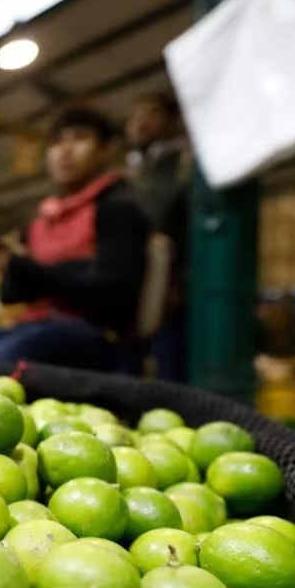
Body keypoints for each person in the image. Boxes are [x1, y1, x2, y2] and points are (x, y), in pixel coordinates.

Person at [0, 105, 150, 370]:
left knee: (6, 356)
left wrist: (32, 270)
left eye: (80, 138)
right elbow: (11, 296)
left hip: (94, 331)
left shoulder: (116, 209)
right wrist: (11, 269)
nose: (65, 151)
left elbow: (115, 291)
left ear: (106, 150)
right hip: (32, 326)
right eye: (57, 142)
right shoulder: (38, 224)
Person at [125, 91, 192, 382]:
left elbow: (169, 217)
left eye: (152, 113)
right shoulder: (133, 167)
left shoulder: (181, 164)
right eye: (136, 115)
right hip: (136, 279)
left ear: (171, 121)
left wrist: (179, 281)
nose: (142, 121)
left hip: (168, 277)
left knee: (169, 356)